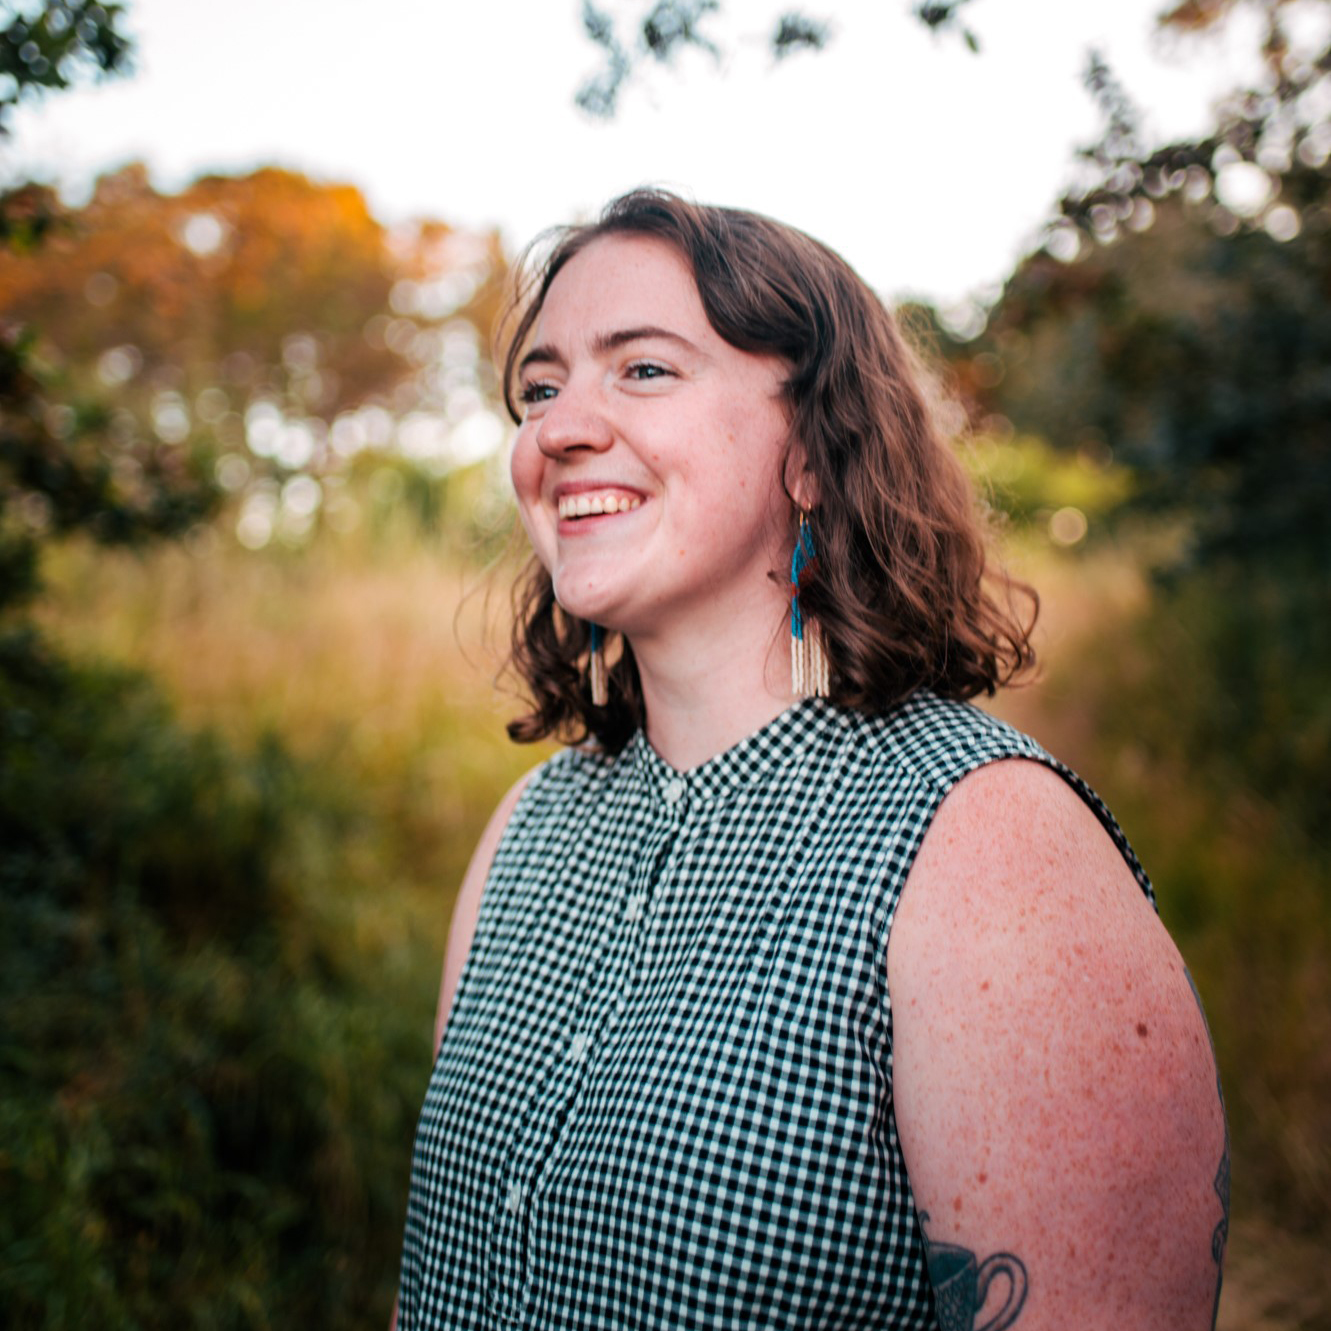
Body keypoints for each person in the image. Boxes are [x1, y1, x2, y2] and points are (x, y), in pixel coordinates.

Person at [394, 189, 1229, 1330]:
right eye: (538, 388)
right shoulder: (523, 834)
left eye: (641, 370)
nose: (557, 428)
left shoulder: (980, 846)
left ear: (812, 452)